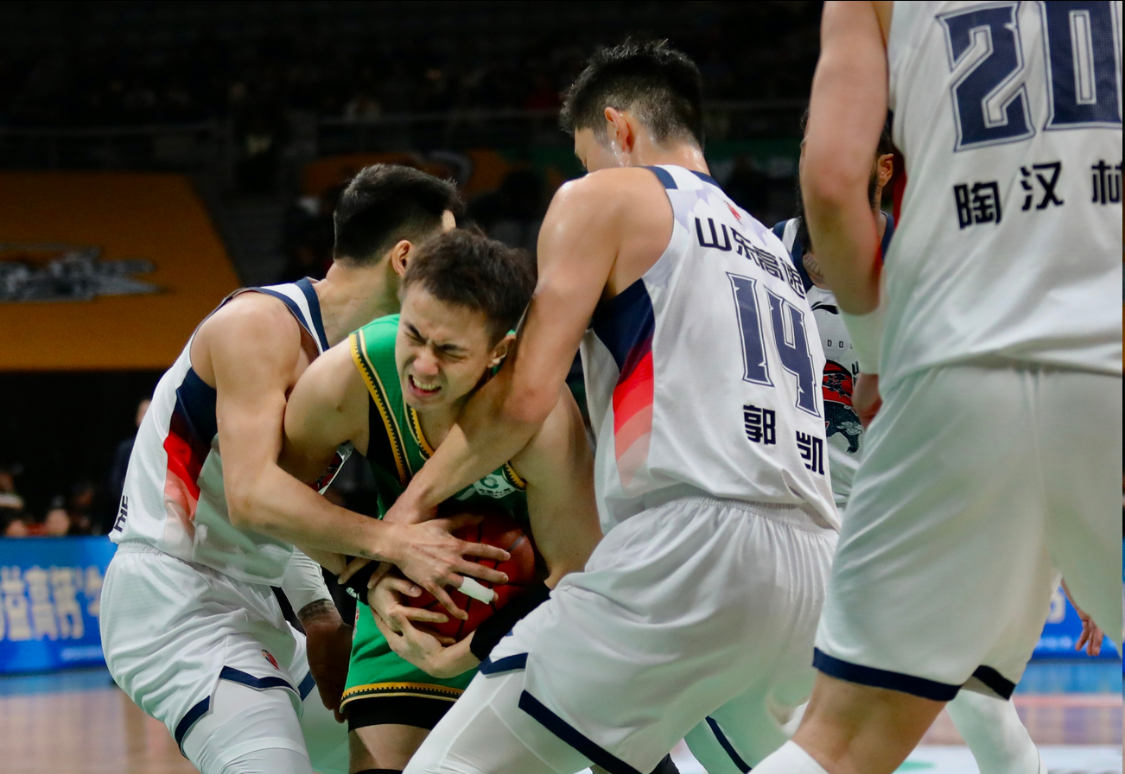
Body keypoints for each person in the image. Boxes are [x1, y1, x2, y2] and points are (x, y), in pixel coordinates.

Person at [372, 40, 841, 774]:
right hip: (813, 567)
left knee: (451, 767)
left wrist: (406, 511)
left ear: (619, 129)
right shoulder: (769, 250)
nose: (583, 175)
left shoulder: (604, 199)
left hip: (692, 547)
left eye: (585, 157)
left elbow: (525, 397)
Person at [753, 3, 1122, 773]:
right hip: (1098, 354)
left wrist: (876, 354)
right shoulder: (768, 255)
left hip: (952, 379)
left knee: (844, 736)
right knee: (977, 698)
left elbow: (829, 181)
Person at [99, 165, 512, 774]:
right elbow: (252, 497)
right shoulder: (258, 325)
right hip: (174, 595)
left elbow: (286, 508)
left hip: (255, 601)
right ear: (405, 259)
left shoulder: (355, 360)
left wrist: (319, 613)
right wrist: (393, 544)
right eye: (446, 254)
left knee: (400, 750)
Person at [280, 228, 607, 774]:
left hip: (536, 616)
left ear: (499, 351)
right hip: (406, 606)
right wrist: (368, 582)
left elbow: (574, 571)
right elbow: (280, 500)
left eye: (451, 351)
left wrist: (467, 652)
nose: (424, 366)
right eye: (414, 335)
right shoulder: (351, 375)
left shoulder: (544, 423)